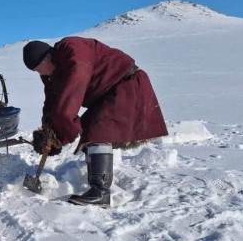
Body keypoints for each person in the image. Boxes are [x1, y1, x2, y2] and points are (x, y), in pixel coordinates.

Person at [23, 37, 168, 207]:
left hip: (127, 85)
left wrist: (59, 136)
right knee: (91, 129)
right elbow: (52, 102)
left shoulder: (72, 50)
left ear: (46, 58)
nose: (39, 74)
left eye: (38, 69)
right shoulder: (53, 72)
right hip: (108, 94)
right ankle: (97, 187)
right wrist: (47, 130)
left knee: (98, 130)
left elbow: (71, 93)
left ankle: (100, 192)